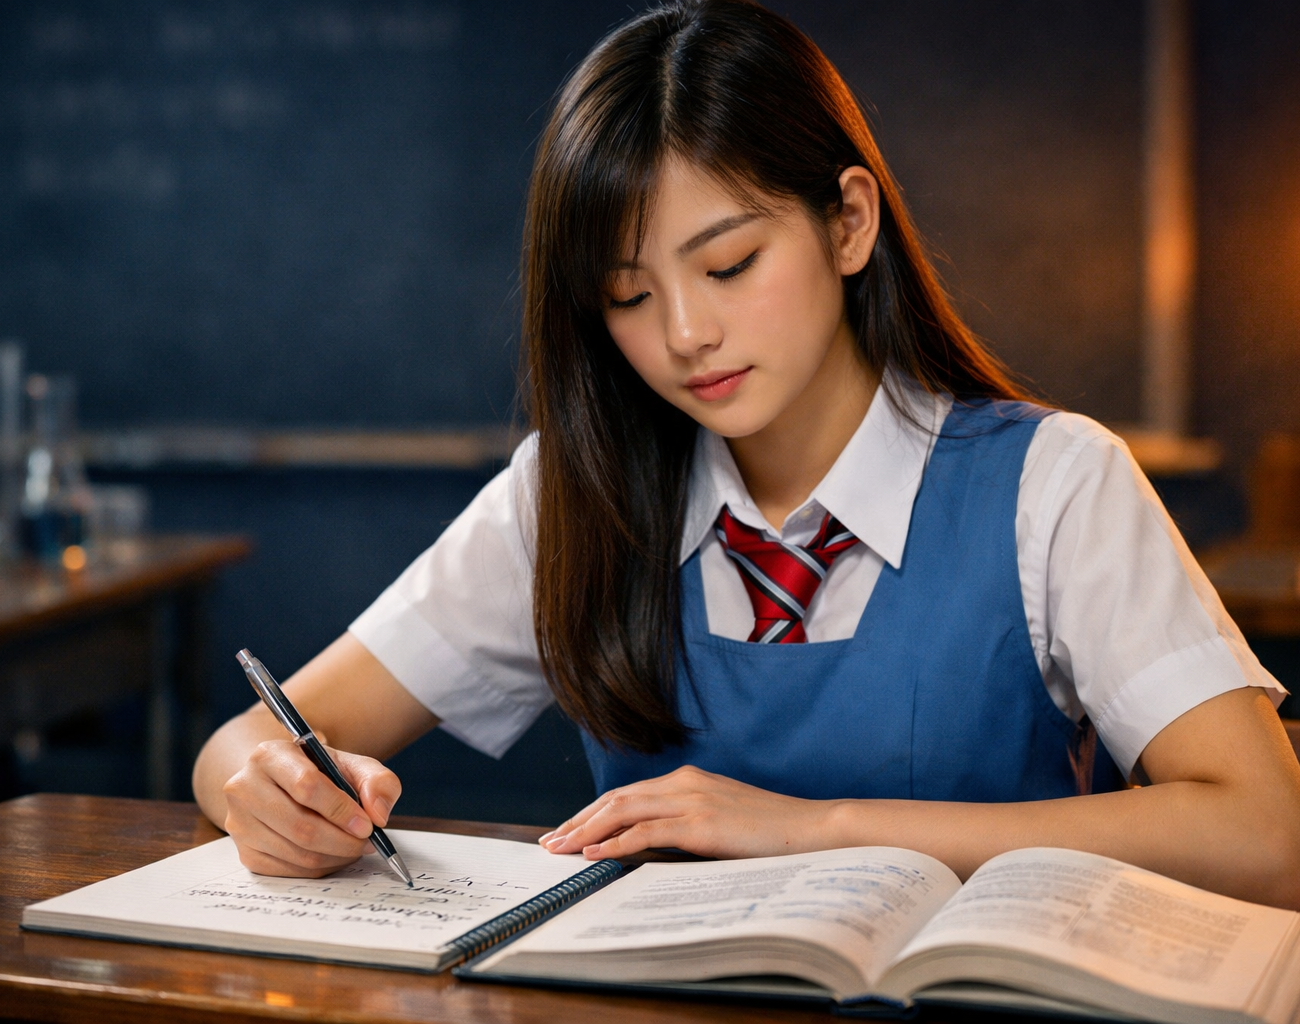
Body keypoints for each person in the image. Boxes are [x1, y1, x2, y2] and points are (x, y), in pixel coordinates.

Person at [193, 0, 1300, 909]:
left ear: (849, 223)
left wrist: (815, 829)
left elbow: (1268, 835)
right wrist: (274, 792)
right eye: (627, 294)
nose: (685, 334)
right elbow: (249, 739)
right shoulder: (574, 496)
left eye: (727, 266)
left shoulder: (1053, 485)